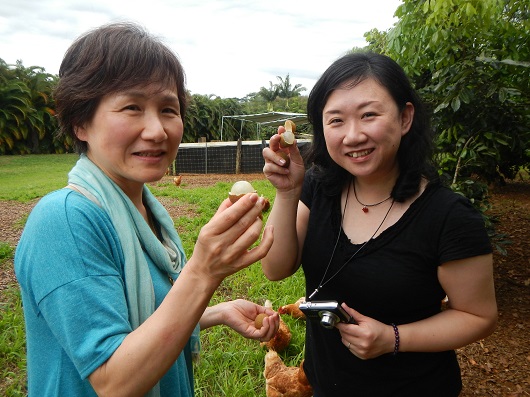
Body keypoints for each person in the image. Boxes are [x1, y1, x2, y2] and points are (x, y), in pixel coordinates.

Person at [14, 22, 279, 397]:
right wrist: (203, 272)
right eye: (132, 107)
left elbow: (140, 314)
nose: (157, 130)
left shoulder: (146, 212)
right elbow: (114, 381)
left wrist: (217, 312)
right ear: (80, 122)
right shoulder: (66, 220)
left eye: (168, 109)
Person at [261, 52, 497, 396]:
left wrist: (393, 339)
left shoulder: (449, 217)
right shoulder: (319, 187)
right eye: (336, 120)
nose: (353, 136)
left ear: (405, 118)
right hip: (327, 383)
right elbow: (275, 267)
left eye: (369, 115)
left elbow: (479, 317)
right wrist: (287, 192)